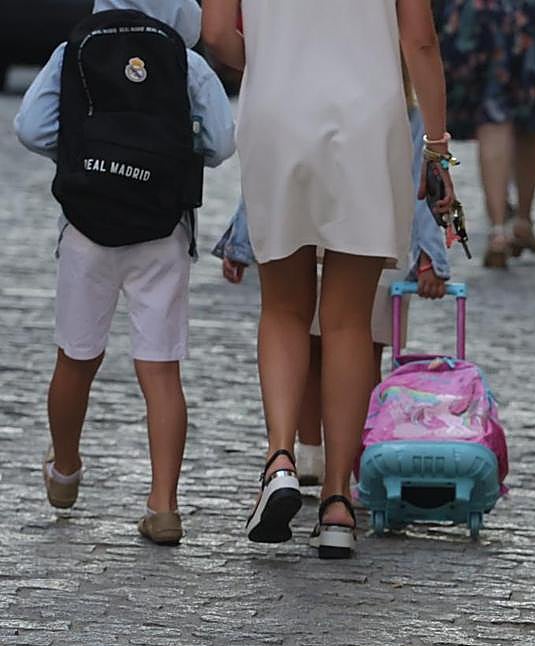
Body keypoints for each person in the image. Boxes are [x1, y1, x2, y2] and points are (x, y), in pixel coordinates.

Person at [202, 0, 456, 559]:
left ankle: (281, 460)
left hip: (277, 112)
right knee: (347, 322)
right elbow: (420, 40)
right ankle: (338, 501)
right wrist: (437, 147)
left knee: (284, 309)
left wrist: (272, 59)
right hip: (367, 116)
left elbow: (216, 33)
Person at [14, 0, 235, 547]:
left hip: (87, 225)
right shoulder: (186, 61)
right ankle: (163, 505)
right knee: (161, 370)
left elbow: (30, 128)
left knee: (75, 358)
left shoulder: (73, 51)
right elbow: (221, 142)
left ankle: (65, 469)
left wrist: (79, 155)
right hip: (162, 228)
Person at [213, 96, 454, 488]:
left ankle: (317, 453)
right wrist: (430, 254)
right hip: (372, 232)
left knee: (309, 341)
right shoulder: (396, 99)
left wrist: (242, 238)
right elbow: (420, 175)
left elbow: (268, 165)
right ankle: (341, 466)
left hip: (313, 229)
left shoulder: (301, 86)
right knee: (353, 344)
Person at [435, 0, 535, 268]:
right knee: (533, 116)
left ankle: (498, 229)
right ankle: (523, 219)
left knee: (493, 115)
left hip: (482, 12)